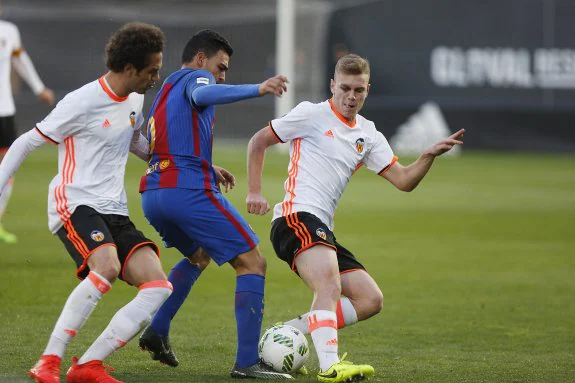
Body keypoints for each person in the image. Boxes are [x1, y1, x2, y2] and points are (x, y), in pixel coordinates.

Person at [246, 53, 465, 383]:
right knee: (329, 286)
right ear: (332, 86)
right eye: (345, 88)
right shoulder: (311, 114)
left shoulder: (369, 134)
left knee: (369, 299)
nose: (351, 97)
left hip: (321, 228)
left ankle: (290, 332)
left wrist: (427, 156)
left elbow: (403, 181)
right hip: (295, 217)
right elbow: (258, 140)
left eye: (358, 90)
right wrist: (254, 192)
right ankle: (330, 366)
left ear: (367, 90)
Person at [0, 23, 172, 383]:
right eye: (152, 70)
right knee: (106, 265)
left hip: (114, 208)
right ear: (129, 69)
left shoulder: (136, 99)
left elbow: (135, 140)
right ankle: (49, 360)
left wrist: (186, 166)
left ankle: (88, 365)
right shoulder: (81, 101)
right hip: (74, 201)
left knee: (158, 285)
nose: (156, 77)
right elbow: (25, 143)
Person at [137, 29, 293, 380]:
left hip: (154, 193)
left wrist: (207, 165)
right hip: (188, 193)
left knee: (199, 256)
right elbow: (205, 91)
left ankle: (157, 331)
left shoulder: (164, 91)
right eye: (221, 67)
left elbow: (155, 147)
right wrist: (258, 88)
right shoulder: (198, 77)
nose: (222, 75)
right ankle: (247, 363)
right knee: (253, 262)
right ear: (201, 58)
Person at [0, 2, 55, 243]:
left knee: (7, 168)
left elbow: (20, 59)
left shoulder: (9, 31)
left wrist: (38, 87)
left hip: (4, 111)